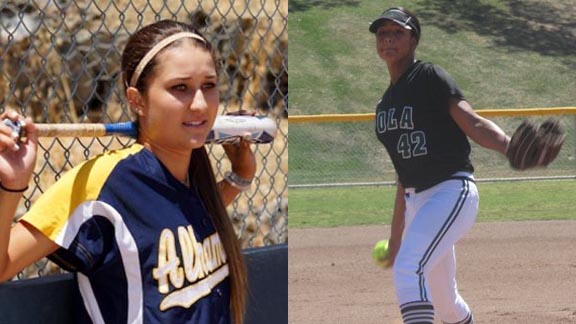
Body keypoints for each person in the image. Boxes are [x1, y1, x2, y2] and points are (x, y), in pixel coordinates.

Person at [0, 19, 257, 324]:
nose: (200, 104)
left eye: (209, 86)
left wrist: (240, 175)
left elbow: (172, 226)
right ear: (137, 100)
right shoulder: (103, 182)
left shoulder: (190, 175)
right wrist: (11, 184)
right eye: (180, 88)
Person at [369, 7, 510, 324]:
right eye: (382, 33)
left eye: (398, 32)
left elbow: (472, 123)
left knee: (409, 266)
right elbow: (402, 177)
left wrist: (510, 147)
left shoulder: (429, 76)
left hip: (450, 192)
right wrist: (394, 238)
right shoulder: (384, 104)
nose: (388, 39)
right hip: (417, 203)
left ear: (413, 39)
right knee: (446, 304)